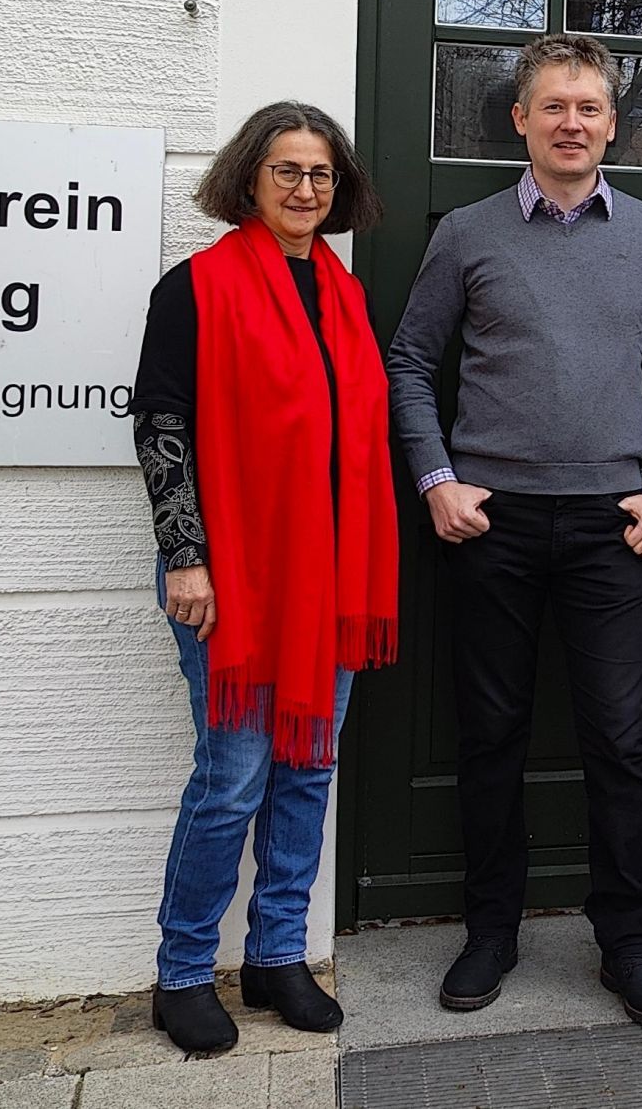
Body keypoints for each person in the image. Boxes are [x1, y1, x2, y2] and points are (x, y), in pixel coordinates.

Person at [385, 33, 642, 1028]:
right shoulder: (468, 233)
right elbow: (409, 362)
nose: (572, 122)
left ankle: (627, 941)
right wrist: (438, 480)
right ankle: (490, 928)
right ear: (518, 118)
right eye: (553, 106)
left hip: (616, 526)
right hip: (492, 524)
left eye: (590, 108)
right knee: (491, 736)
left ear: (614, 122)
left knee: (618, 739)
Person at [127, 101, 401, 1054]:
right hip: (231, 574)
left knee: (309, 768)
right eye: (287, 170)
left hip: (330, 574)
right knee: (235, 775)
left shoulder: (345, 292)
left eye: (321, 174)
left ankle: (279, 954)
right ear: (250, 177)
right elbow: (160, 424)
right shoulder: (196, 287)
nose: (305, 189)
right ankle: (182, 971)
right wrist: (186, 553)